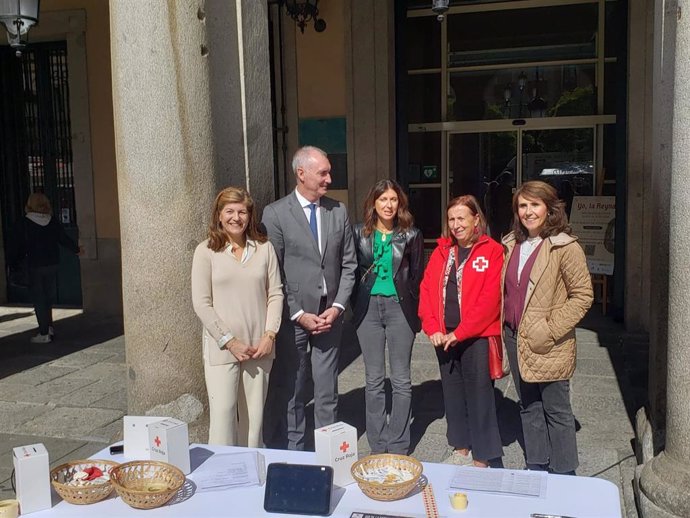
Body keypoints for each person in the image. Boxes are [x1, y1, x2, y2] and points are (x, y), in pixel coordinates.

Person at [262, 146, 357, 451]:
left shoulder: (338, 210)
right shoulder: (275, 214)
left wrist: (338, 306)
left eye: (329, 171)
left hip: (330, 316)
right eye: (323, 172)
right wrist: (297, 313)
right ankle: (296, 451)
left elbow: (349, 265)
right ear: (301, 174)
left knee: (327, 388)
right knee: (293, 388)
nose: (329, 178)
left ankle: (328, 451)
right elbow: (273, 272)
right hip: (295, 320)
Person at [501, 180, 593, 475]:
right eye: (523, 205)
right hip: (515, 338)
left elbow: (583, 295)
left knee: (557, 410)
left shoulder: (565, 246)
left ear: (550, 209)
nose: (528, 212)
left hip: (550, 342)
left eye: (535, 205)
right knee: (528, 405)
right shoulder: (511, 244)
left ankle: (565, 473)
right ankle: (537, 465)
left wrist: (550, 330)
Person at [191, 186, 283, 447]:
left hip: (259, 348)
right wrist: (230, 341)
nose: (236, 217)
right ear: (219, 215)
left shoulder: (264, 250)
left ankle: (251, 476)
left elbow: (275, 294)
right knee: (223, 419)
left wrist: (270, 335)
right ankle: (221, 478)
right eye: (229, 211)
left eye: (242, 212)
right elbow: (201, 303)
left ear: (249, 215)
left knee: (254, 424)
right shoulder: (206, 252)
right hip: (223, 349)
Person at [419, 195, 504, 467]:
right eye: (451, 219)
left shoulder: (492, 251)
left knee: (480, 394)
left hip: (476, 336)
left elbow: (491, 301)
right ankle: (460, 447)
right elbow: (427, 290)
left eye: (461, 219)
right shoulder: (443, 251)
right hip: (444, 335)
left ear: (476, 219)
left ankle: (483, 455)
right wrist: (432, 327)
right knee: (452, 392)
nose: (455, 225)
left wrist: (462, 332)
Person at [351, 179, 424, 455]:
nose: (389, 205)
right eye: (383, 200)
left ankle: (398, 442)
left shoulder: (411, 235)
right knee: (374, 379)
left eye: (393, 199)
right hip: (368, 308)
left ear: (400, 203)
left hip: (398, 308)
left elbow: (416, 275)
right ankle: (377, 441)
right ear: (374, 203)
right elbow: (353, 270)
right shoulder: (359, 233)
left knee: (402, 379)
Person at [9, 193, 80, 343]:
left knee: (39, 299)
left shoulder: (23, 223)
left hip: (34, 265)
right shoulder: (52, 221)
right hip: (52, 263)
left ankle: (43, 333)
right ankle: (49, 327)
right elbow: (63, 239)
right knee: (48, 298)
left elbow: (16, 246)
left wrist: (13, 263)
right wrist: (76, 249)